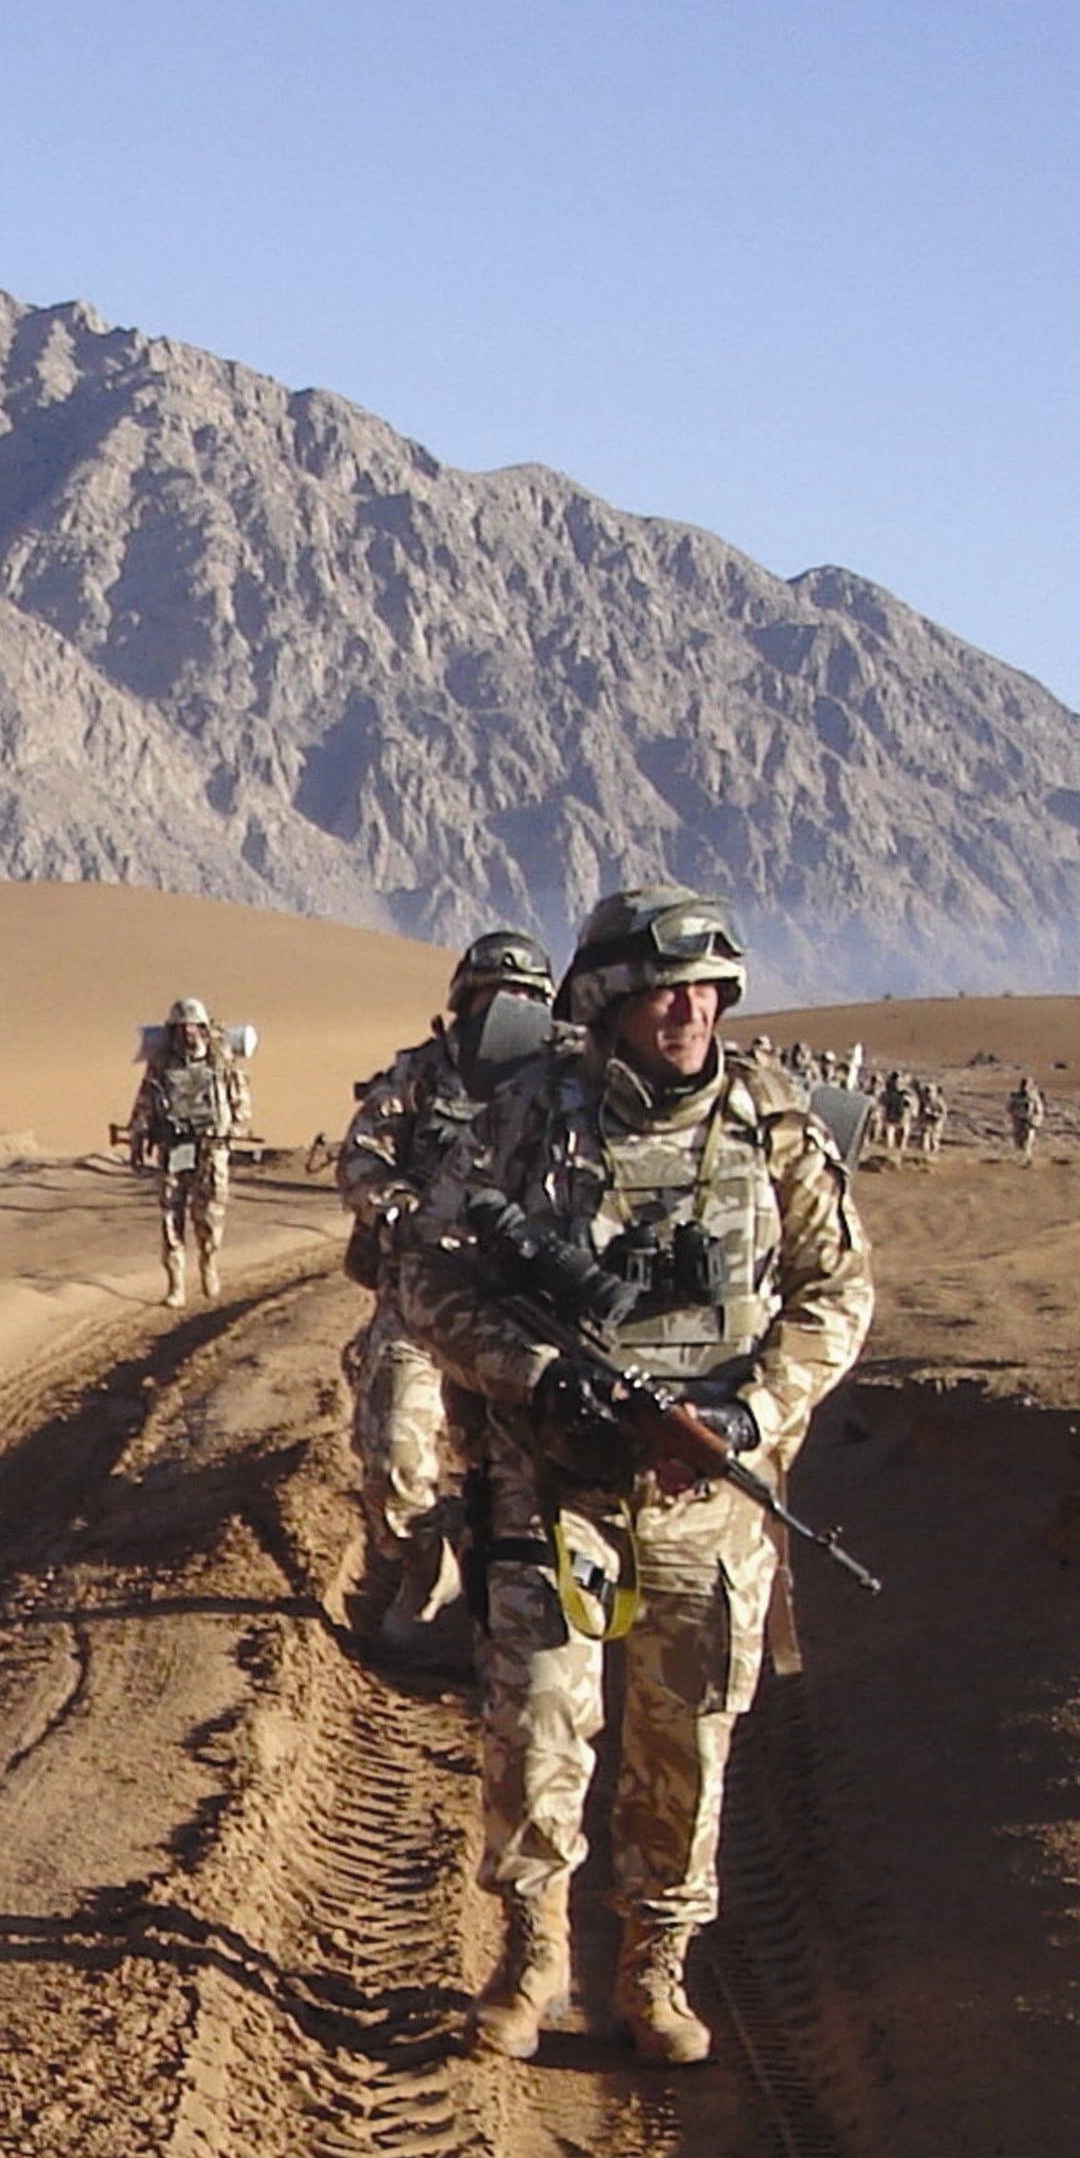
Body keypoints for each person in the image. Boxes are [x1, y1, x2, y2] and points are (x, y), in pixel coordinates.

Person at [417, 883, 873, 2067]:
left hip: (705, 1487)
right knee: (535, 1721)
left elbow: (838, 1293)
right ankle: (531, 1957)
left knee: (688, 1736)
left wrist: (752, 1406)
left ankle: (654, 1968)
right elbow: (429, 1278)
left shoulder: (770, 1120)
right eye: (664, 988)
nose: (688, 1009)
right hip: (553, 1479)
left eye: (707, 988)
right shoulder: (526, 1114)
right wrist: (529, 1371)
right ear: (606, 998)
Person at [334, 928, 560, 1655]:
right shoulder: (424, 1074)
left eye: (523, 998)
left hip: (522, 1307)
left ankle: (515, 1606)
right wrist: (397, 1201)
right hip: (422, 1295)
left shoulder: (569, 1084)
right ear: (465, 999)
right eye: (493, 994)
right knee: (394, 1452)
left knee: (521, 1468)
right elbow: (360, 1153)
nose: (506, 1010)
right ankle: (420, 1565)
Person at [131, 996, 245, 1306]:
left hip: (211, 1149)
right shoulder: (161, 1064)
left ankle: (208, 1263)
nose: (188, 1033)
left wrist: (233, 1129)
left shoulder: (220, 1062)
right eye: (181, 1027)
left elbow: (240, 1099)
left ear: (204, 1029)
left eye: (193, 1026)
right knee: (171, 1217)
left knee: (209, 1215)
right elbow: (145, 1102)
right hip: (173, 1149)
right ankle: (176, 1284)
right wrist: (138, 1136)